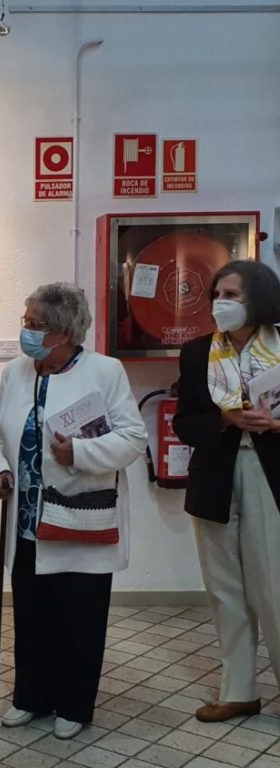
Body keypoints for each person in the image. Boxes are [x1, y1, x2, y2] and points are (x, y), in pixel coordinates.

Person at [0, 282, 146, 739]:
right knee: (32, 615)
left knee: (79, 617)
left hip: (80, 517)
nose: (27, 332)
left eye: (35, 325)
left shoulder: (104, 371)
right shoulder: (16, 373)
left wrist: (79, 453)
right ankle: (31, 698)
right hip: (27, 519)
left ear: (63, 333)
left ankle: (74, 705)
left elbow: (133, 438)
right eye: (26, 322)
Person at [173, 260, 280, 723]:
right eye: (218, 294)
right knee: (224, 590)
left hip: (268, 475)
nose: (221, 303)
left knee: (273, 588)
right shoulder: (198, 353)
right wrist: (225, 418)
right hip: (214, 478)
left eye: (232, 295)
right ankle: (238, 691)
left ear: (257, 299)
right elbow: (185, 422)